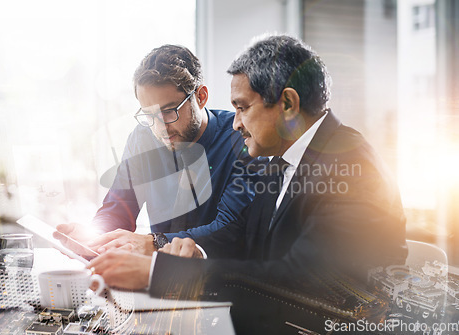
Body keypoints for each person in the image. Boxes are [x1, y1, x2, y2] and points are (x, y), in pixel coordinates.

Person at [89, 35, 408, 333]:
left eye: (242, 107)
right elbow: (236, 234)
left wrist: (161, 274)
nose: (236, 121)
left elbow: (304, 282)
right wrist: (193, 252)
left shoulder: (351, 165)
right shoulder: (280, 161)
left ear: (287, 104)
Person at [57, 45, 265, 255]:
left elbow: (229, 230)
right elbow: (118, 209)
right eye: (150, 115)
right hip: (156, 274)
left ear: (200, 97)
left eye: (169, 111)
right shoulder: (142, 138)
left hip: (218, 277)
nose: (161, 127)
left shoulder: (243, 138)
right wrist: (95, 238)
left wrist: (155, 243)